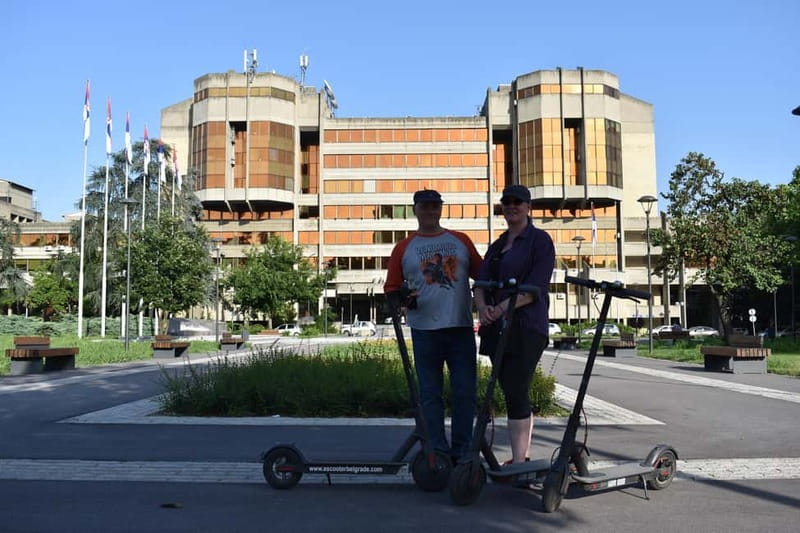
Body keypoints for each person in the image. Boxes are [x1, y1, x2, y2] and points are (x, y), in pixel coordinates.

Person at [384, 189, 482, 462]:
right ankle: (437, 450)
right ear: (415, 209)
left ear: (441, 209)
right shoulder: (403, 248)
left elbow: (482, 274)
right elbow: (391, 289)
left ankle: (462, 451)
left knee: (464, 392)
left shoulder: (460, 241)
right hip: (424, 330)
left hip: (459, 328)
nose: (430, 212)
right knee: (430, 395)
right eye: (424, 207)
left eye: (435, 207)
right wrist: (402, 300)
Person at [474, 184, 555, 465]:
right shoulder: (497, 245)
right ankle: (511, 458)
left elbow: (535, 288)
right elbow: (480, 283)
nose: (511, 206)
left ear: (528, 207)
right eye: (507, 202)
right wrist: (483, 308)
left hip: (527, 326)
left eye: (517, 202)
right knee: (505, 388)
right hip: (498, 327)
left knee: (517, 387)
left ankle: (520, 460)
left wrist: (499, 308)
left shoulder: (539, 241)